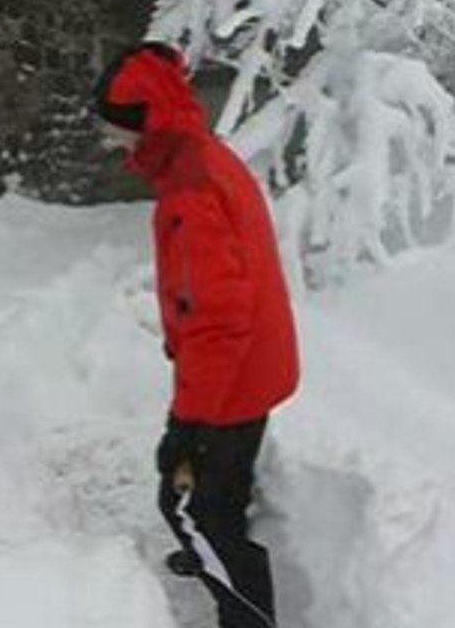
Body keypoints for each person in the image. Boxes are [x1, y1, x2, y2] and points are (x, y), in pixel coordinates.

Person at [93, 42, 300, 628]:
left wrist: (188, 426)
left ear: (145, 123)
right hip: (251, 365)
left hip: (233, 378)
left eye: (116, 131)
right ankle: (216, 556)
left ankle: (246, 615)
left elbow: (215, 319)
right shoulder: (200, 157)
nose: (113, 143)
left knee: (188, 506)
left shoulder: (189, 188)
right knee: (218, 497)